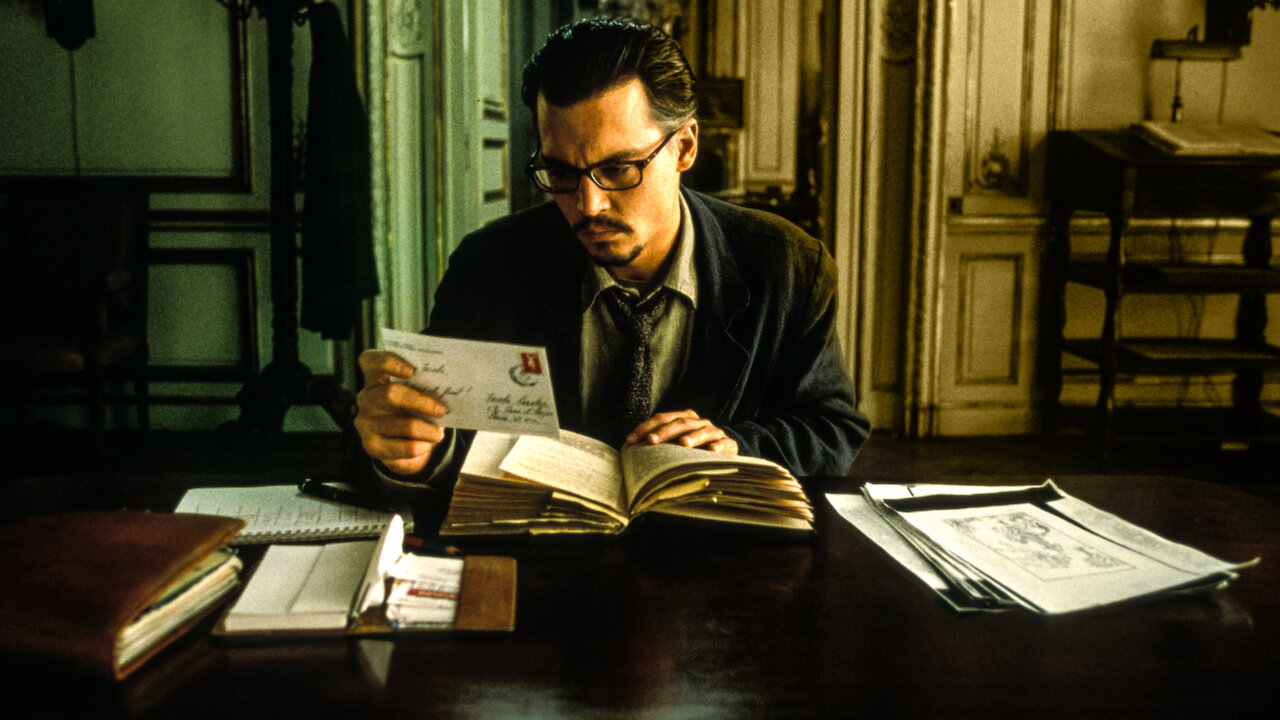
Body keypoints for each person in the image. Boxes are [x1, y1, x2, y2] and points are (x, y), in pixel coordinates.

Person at [351, 16, 869, 503]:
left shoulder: (787, 265)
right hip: (542, 553)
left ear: (685, 146)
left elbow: (831, 428)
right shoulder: (488, 265)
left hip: (718, 552)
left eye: (619, 169)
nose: (589, 205)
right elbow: (439, 436)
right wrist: (409, 452)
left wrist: (736, 447)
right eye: (561, 173)